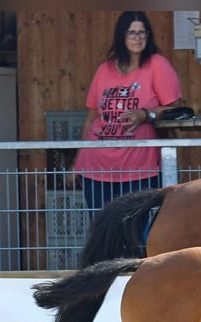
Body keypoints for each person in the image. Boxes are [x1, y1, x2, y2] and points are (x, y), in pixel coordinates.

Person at [68, 11, 183, 212]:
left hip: (139, 169)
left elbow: (177, 109)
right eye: (131, 33)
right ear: (122, 36)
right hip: (96, 166)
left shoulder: (157, 65)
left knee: (136, 234)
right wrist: (76, 164)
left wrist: (146, 115)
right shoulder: (105, 69)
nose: (137, 38)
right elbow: (91, 119)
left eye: (142, 32)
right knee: (103, 233)